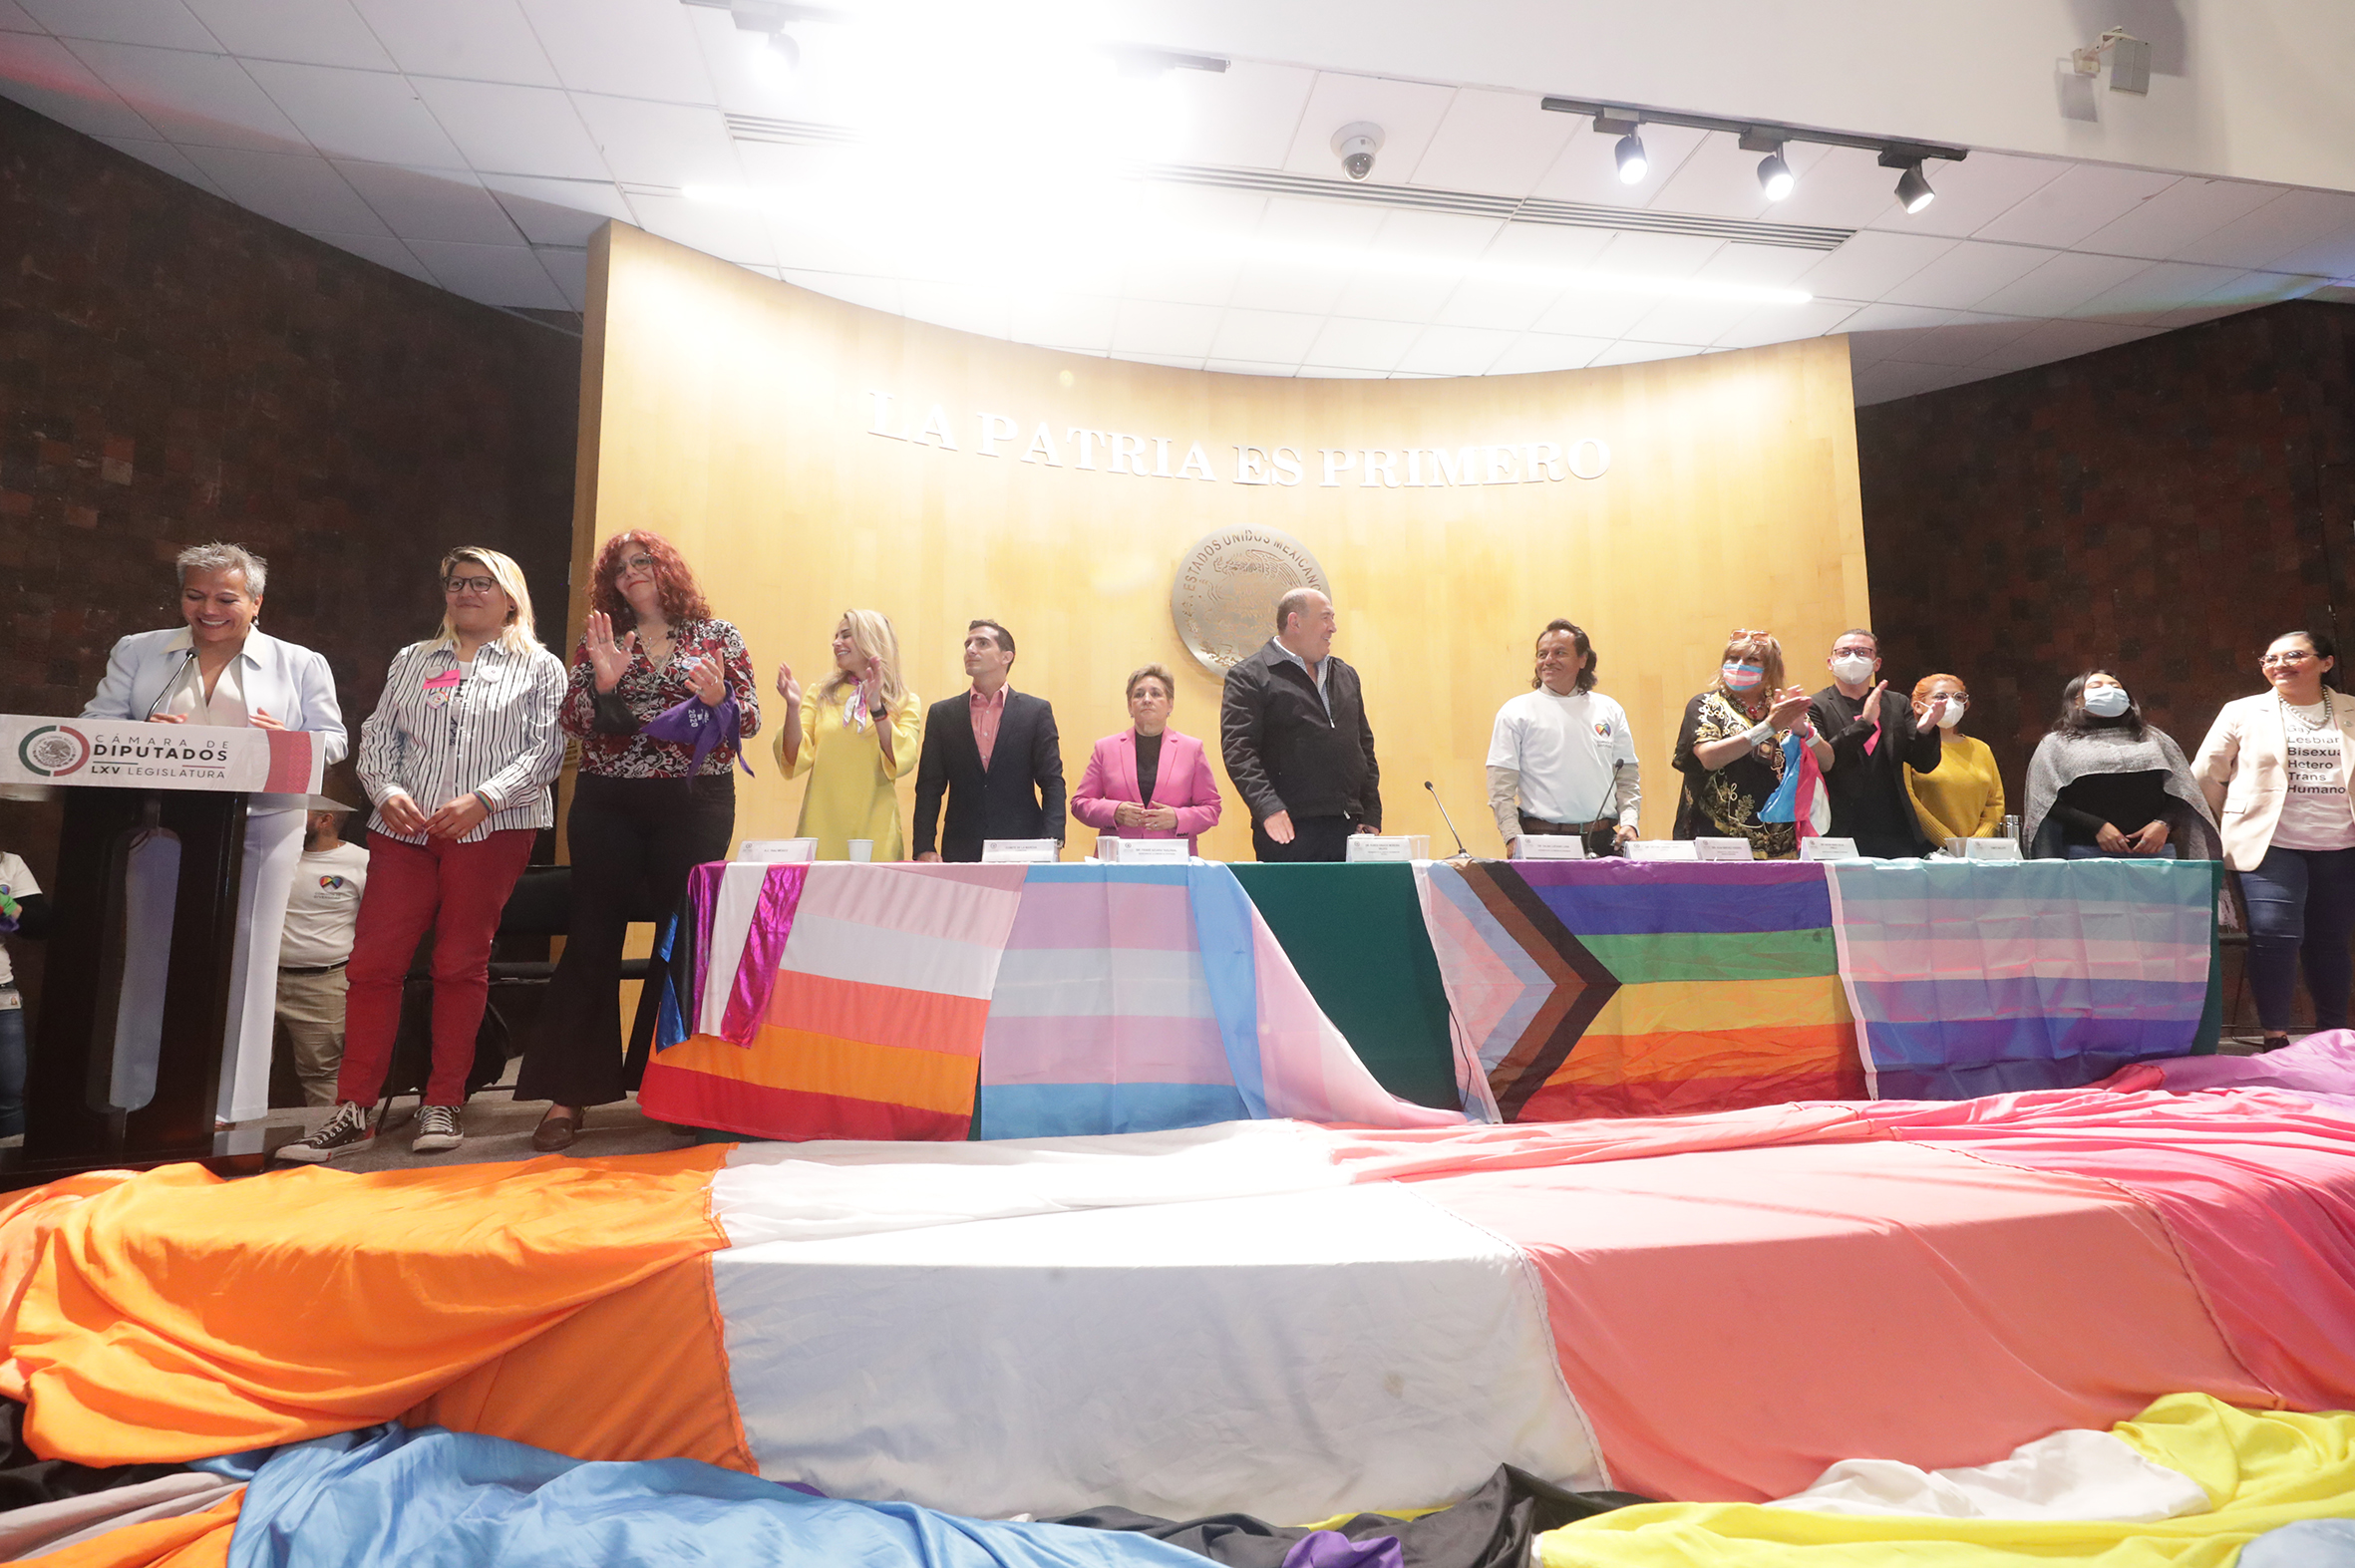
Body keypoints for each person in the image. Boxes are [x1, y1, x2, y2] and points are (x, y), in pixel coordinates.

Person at [282, 548, 566, 1161]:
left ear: (510, 597)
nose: (466, 592)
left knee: (459, 963)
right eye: (457, 583)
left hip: (492, 828)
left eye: (482, 583)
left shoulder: (540, 666)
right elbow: (379, 735)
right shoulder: (413, 658)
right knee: (372, 964)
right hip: (404, 831)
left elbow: (546, 751)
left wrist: (485, 799)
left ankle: (444, 1101)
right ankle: (353, 1109)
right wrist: (384, 791)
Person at [83, 541, 346, 1125]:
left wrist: (289, 741)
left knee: (249, 960)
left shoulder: (299, 663)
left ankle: (234, 1107)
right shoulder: (140, 650)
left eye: (226, 599)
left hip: (262, 824)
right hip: (158, 823)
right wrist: (140, 732)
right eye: (194, 596)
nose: (208, 610)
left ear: (256, 603)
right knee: (149, 956)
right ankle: (136, 1100)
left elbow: (333, 741)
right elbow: (95, 724)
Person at [515, 530, 759, 1152]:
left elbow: (750, 721)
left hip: (694, 802)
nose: (630, 573)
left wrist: (719, 698)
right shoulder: (603, 638)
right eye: (620, 568)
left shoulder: (717, 636)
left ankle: (674, 1085)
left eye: (641, 561)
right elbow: (570, 720)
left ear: (666, 568)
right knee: (593, 934)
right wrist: (603, 684)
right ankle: (568, 1095)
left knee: (683, 939)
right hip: (608, 801)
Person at [2192, 631, 2355, 1051]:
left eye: (2294, 655)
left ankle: (2333, 1036)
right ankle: (2275, 1037)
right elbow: (2206, 774)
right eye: (2269, 658)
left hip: (2341, 844)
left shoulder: (2351, 711)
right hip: (2270, 844)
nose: (2279, 664)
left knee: (2331, 941)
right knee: (2273, 934)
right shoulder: (2243, 711)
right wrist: (2232, 821)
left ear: (2326, 663)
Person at [1220, 588, 1381, 861]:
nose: (1333, 627)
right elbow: (1239, 751)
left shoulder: (1345, 675)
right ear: (1295, 622)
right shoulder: (1249, 676)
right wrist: (1268, 808)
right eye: (1325, 618)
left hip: (1351, 830)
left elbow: (1363, 747)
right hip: (1287, 830)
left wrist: (1371, 813)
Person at [2023, 670, 2220, 863]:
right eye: (2096, 686)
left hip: (2156, 851)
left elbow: (2184, 791)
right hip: (2085, 852)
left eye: (2115, 686)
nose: (2109, 690)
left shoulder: (2155, 739)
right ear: (2076, 700)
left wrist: (2164, 823)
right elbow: (2044, 800)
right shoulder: (2056, 744)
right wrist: (2097, 826)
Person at [913, 619, 1066, 862]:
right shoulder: (943, 714)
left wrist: (1052, 841)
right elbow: (929, 787)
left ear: (1006, 657)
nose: (971, 649)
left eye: (982, 643)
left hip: (1024, 845)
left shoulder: (1035, 712)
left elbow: (1052, 782)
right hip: (961, 847)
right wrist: (924, 847)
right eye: (968, 644)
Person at [774, 610, 922, 860]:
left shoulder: (905, 700)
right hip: (821, 827)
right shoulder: (820, 693)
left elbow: (901, 760)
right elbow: (793, 756)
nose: (836, 643)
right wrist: (791, 706)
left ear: (871, 639)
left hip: (876, 830)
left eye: (846, 635)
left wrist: (876, 707)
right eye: (836, 636)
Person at [1488, 619, 1639, 857]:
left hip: (1604, 841)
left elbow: (1627, 779)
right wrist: (1511, 836)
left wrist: (1630, 823)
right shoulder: (1515, 712)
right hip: (1543, 841)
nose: (1548, 660)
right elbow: (1500, 788)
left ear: (1583, 660)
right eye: (1542, 654)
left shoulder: (1609, 709)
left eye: (1559, 653)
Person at [1672, 631, 1831, 858]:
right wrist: (1768, 727)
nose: (1739, 665)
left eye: (1752, 659)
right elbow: (1709, 757)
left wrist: (1803, 730)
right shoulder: (1706, 704)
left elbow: (1827, 762)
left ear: (1770, 668)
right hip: (1719, 840)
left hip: (1781, 842)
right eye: (1733, 658)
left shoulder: (1783, 707)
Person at [271, 795, 369, 1108]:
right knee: (241, 1068)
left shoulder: (360, 861)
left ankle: (327, 1133)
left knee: (322, 1073)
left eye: (298, 812)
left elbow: (382, 921)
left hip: (323, 985)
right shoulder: (272, 854)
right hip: (261, 981)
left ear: (325, 820)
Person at [1810, 629, 1944, 857]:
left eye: (1863, 652)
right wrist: (1865, 723)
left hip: (1895, 829)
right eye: (1844, 652)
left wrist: (1926, 730)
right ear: (1831, 663)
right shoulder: (1815, 705)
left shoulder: (1896, 703)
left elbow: (1924, 764)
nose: (1853, 658)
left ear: (1877, 663)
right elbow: (1826, 761)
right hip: (1838, 828)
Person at [1071, 664, 1224, 854]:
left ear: (1170, 704)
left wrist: (1177, 818)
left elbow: (1211, 808)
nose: (1147, 699)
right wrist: (1114, 811)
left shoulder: (1192, 749)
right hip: (1117, 860)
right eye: (1138, 694)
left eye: (1156, 693)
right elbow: (1080, 803)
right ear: (1130, 706)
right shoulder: (1105, 748)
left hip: (1173, 860)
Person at [1903, 673, 2006, 845]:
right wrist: (1948, 842)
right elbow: (1909, 799)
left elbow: (1995, 803)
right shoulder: (1909, 747)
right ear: (1918, 706)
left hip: (1977, 852)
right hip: (1927, 849)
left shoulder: (1981, 748)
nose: (1950, 703)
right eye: (1940, 696)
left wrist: (1975, 843)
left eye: (1958, 697)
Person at [0, 846, 52, 1140]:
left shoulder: (8, 863)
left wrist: (6, 903)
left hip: (1, 993)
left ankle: (10, 1168)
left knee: (8, 1098)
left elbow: (39, 925)